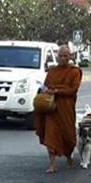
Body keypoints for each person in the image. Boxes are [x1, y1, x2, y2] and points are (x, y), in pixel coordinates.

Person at [34, 44, 82, 173]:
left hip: (66, 107)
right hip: (51, 108)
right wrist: (47, 91)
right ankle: (52, 165)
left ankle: (68, 157)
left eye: (65, 56)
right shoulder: (53, 71)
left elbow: (73, 89)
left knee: (68, 136)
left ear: (69, 56)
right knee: (51, 135)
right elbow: (46, 85)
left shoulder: (74, 71)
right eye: (60, 56)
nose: (62, 58)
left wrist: (56, 90)